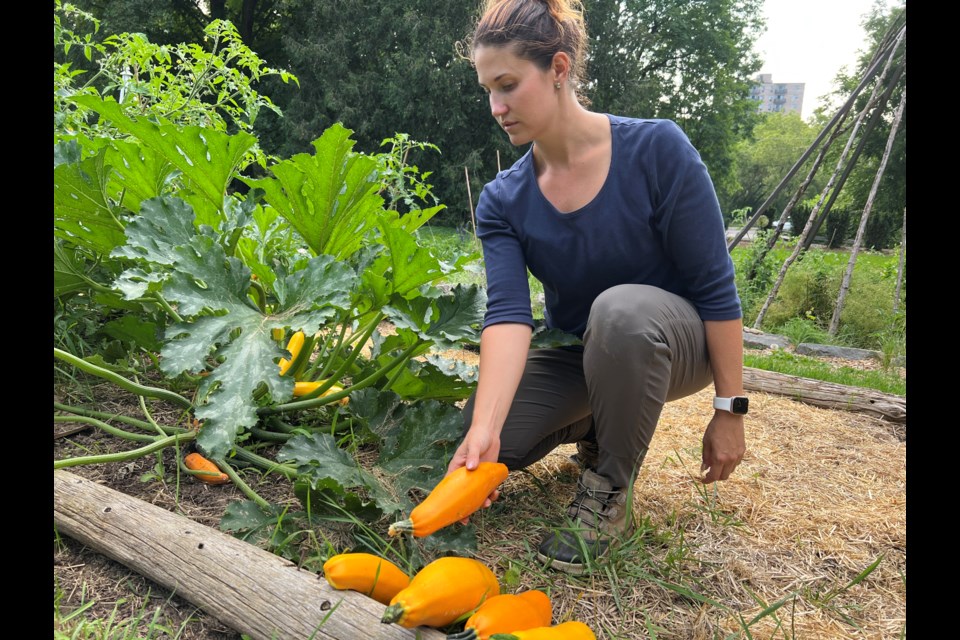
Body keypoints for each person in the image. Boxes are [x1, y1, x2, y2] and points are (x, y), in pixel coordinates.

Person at [446, 0, 748, 575]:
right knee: (480, 446)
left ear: (559, 69)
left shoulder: (658, 150)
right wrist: (483, 429)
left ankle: (610, 487)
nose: (496, 107)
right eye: (488, 89)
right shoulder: (503, 199)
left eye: (508, 85)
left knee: (621, 312)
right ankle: (599, 423)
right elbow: (509, 315)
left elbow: (716, 288)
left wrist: (729, 409)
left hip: (672, 343)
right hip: (580, 350)